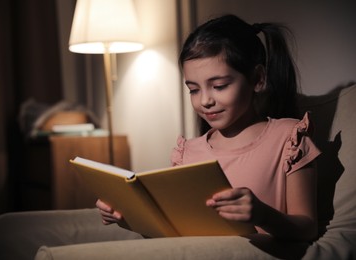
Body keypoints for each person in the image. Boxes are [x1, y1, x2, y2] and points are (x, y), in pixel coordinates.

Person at [96, 14, 321, 241]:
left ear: (258, 79)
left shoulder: (288, 138)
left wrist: (263, 215)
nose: (205, 100)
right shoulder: (187, 153)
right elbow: (173, 234)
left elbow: (308, 227)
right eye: (194, 89)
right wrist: (129, 216)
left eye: (219, 86)